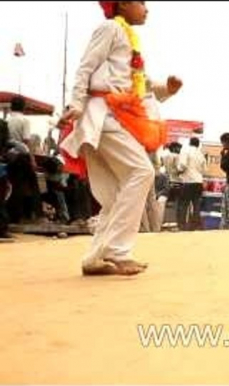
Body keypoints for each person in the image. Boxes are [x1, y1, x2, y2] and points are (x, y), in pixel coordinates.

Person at [60, 1, 184, 275]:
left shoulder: (129, 38)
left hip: (109, 118)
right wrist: (77, 104)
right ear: (124, 4)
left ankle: (94, 258)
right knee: (142, 172)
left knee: (115, 195)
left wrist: (168, 89)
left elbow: (142, 85)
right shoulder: (110, 28)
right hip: (102, 116)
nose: (147, 9)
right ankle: (118, 250)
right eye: (142, 3)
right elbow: (85, 67)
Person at [177, 137, 206, 231]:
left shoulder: (185, 150)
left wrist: (179, 171)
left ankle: (182, 226)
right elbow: (204, 170)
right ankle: (194, 226)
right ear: (198, 144)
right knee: (196, 204)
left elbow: (182, 165)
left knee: (184, 204)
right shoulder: (201, 154)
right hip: (198, 181)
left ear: (190, 143)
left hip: (188, 181)